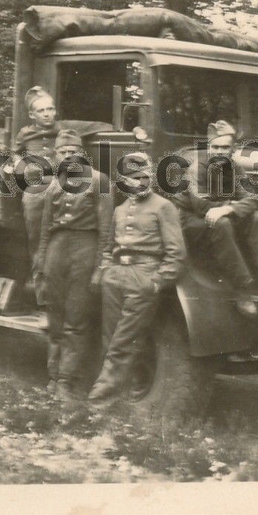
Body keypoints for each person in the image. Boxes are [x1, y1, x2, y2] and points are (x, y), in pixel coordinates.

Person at [88, 152, 186, 405]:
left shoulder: (163, 207)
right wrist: (107, 270)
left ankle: (100, 399)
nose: (141, 183)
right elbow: (109, 247)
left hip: (143, 276)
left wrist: (157, 281)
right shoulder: (120, 210)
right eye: (134, 178)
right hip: (116, 277)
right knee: (110, 338)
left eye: (145, 177)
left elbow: (176, 253)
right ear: (124, 181)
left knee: (123, 339)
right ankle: (126, 392)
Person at [171, 119, 258, 312]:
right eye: (215, 147)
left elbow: (253, 199)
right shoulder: (197, 169)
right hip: (191, 221)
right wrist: (230, 206)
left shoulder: (235, 169)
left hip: (219, 214)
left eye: (224, 147)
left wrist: (228, 208)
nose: (219, 152)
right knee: (222, 224)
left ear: (232, 150)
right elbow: (201, 206)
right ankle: (242, 288)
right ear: (209, 148)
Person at [33, 130, 113, 401]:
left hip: (85, 248)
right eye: (62, 152)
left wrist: (100, 267)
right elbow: (45, 229)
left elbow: (105, 231)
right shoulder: (53, 185)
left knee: (76, 320)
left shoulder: (99, 181)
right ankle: (53, 377)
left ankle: (67, 382)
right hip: (57, 249)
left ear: (82, 153)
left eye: (72, 151)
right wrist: (42, 265)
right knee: (55, 319)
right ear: (56, 156)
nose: (68, 156)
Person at [12, 86, 111, 257]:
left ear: (55, 111)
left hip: (62, 186)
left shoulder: (66, 126)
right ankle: (38, 269)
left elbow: (104, 126)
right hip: (37, 188)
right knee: (35, 230)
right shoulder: (25, 133)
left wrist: (136, 130)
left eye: (50, 109)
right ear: (32, 115)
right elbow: (14, 151)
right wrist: (20, 163)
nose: (46, 114)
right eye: (41, 110)